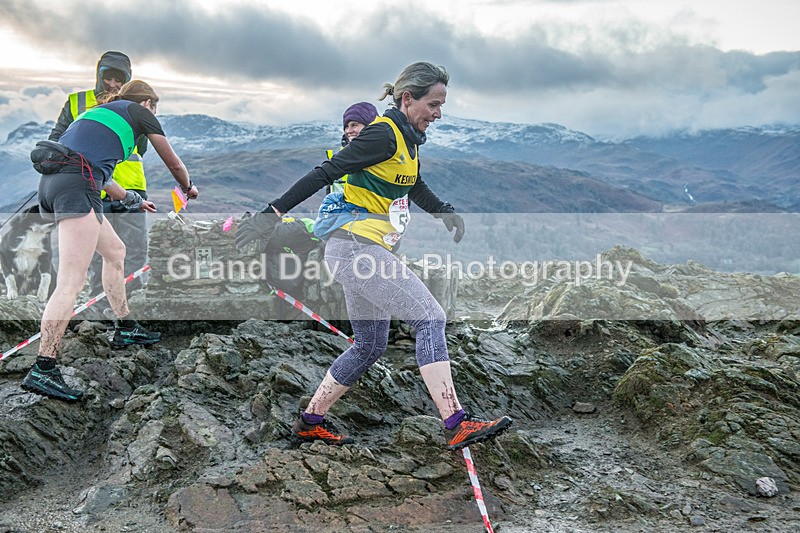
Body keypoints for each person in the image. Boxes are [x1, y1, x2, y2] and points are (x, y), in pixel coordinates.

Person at [236, 62, 511, 450]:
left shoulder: (407, 140)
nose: (438, 113)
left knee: (369, 345)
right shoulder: (383, 135)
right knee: (431, 318)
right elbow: (325, 171)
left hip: (357, 253)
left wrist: (442, 211)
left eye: (442, 105)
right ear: (407, 98)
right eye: (433, 104)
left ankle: (311, 421)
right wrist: (272, 214)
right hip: (356, 249)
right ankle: (456, 422)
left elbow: (411, 183)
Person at [22, 80, 197, 402]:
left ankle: (126, 327)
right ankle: (43, 367)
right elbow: (172, 161)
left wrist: (133, 199)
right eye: (154, 107)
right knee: (70, 284)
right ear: (148, 103)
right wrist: (188, 187)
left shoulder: (96, 113)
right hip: (78, 187)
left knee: (115, 251)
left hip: (54, 184)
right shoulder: (140, 112)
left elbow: (102, 174)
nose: (154, 113)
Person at [326, 101, 379, 194]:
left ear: (370, 127)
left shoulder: (387, 156)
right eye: (346, 126)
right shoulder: (339, 159)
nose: (349, 131)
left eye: (354, 125)